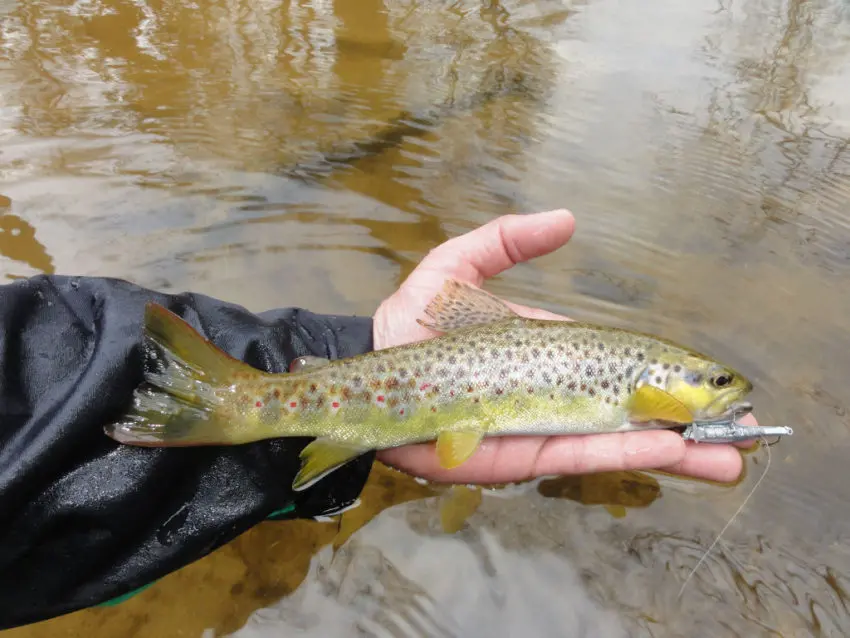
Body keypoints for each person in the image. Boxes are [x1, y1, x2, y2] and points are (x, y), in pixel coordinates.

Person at [0, 209, 751, 630]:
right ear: (659, 381)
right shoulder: (624, 385)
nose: (724, 391)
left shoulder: (624, 385)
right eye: (713, 382)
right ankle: (236, 410)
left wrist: (344, 352)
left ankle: (240, 409)